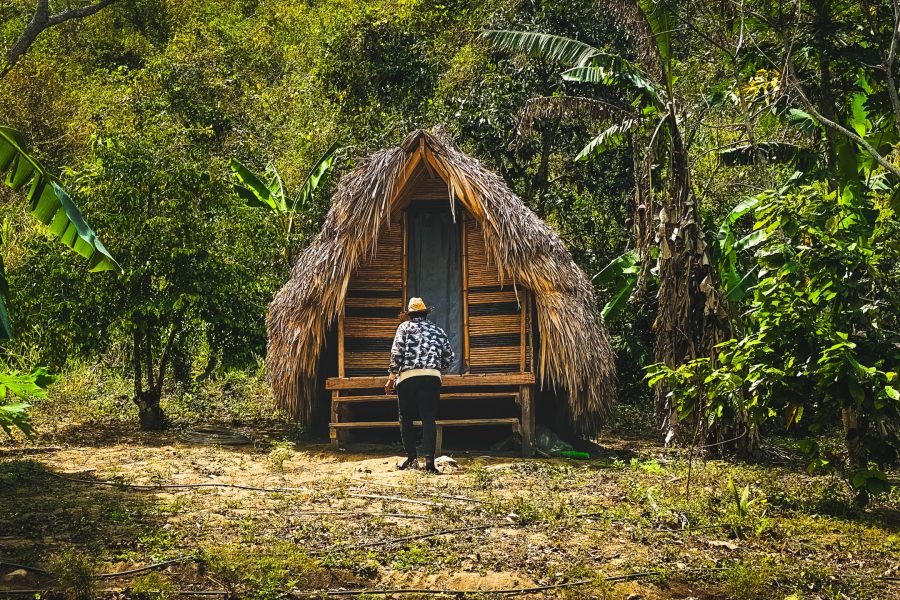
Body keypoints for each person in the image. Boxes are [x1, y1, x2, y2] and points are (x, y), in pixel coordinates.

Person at [385, 297, 454, 473]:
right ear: (424, 313)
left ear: (410, 314)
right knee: (428, 418)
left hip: (408, 378)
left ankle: (411, 458)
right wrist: (437, 370)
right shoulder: (437, 330)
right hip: (431, 378)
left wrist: (391, 378)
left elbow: (397, 354)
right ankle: (430, 461)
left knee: (406, 418)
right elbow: (448, 357)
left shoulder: (404, 328)